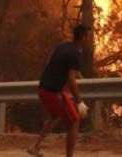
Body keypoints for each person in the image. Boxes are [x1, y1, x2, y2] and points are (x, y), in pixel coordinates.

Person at [27, 24, 90, 157]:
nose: (89, 39)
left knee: (54, 116)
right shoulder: (76, 53)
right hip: (54, 92)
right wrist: (79, 101)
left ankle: (35, 147)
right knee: (74, 121)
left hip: (43, 88)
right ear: (83, 37)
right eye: (88, 36)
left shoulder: (63, 46)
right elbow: (71, 79)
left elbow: (53, 63)